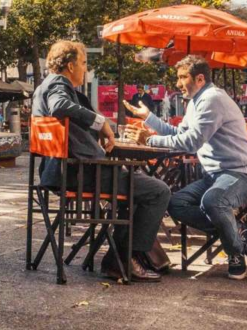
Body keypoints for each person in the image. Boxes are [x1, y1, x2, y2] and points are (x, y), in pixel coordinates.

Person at [34, 40, 170, 282]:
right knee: (158, 190)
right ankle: (126, 258)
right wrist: (101, 122)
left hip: (62, 171)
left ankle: (120, 259)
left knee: (137, 190)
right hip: (81, 172)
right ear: (70, 65)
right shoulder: (57, 84)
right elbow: (60, 106)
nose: (85, 69)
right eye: (83, 63)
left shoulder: (43, 86)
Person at [124, 55, 247, 280]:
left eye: (182, 77)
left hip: (240, 175)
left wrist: (149, 140)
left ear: (199, 79)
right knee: (175, 203)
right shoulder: (196, 101)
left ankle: (235, 251)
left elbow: (191, 142)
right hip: (213, 177)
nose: (178, 84)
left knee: (213, 201)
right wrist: (149, 117)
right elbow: (179, 133)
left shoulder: (212, 99)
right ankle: (238, 231)